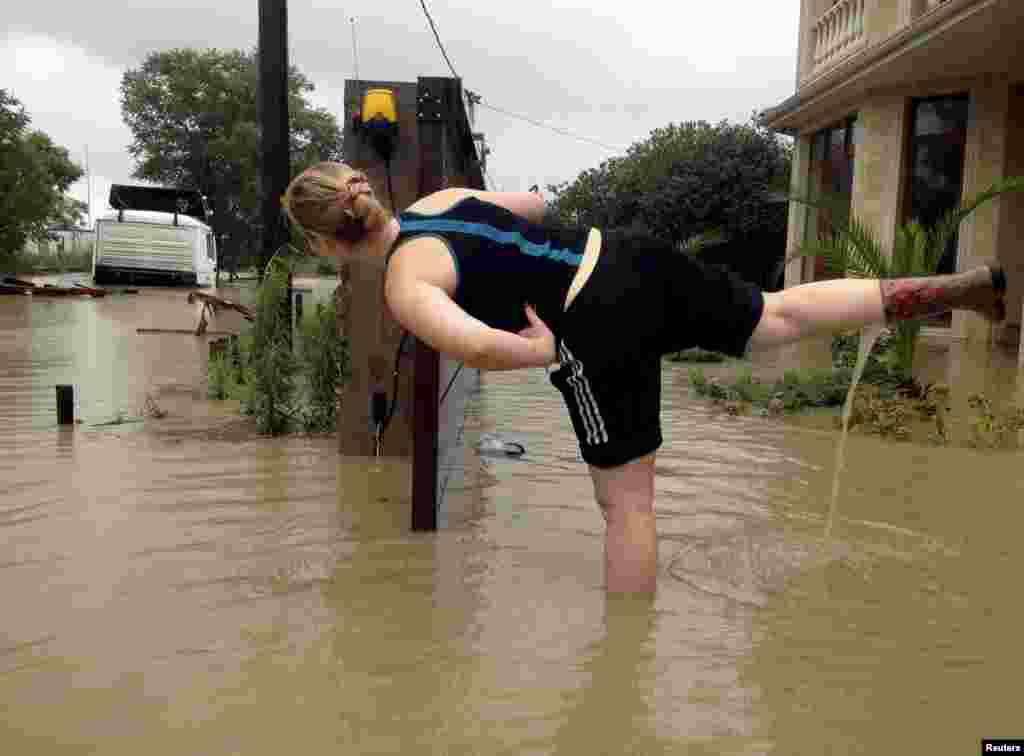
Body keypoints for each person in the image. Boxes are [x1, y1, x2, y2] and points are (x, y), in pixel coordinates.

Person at [282, 161, 1008, 594]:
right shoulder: (439, 202)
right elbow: (535, 208)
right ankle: (948, 287)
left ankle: (625, 677)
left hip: (591, 317)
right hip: (626, 253)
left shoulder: (406, 284)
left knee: (626, 505)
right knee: (780, 315)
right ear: (365, 192)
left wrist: (546, 353)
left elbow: (476, 347)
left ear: (324, 242)